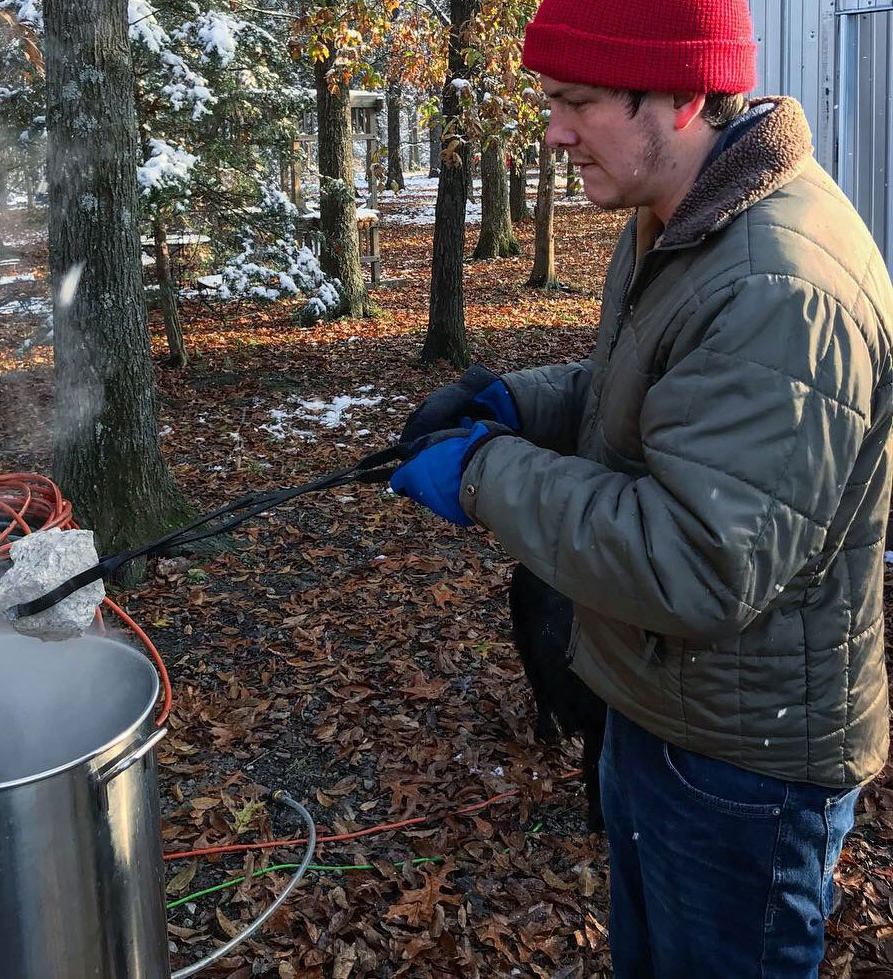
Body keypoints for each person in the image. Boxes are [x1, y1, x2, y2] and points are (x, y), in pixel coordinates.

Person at [389, 1, 893, 976]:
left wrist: (485, 473)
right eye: (551, 100)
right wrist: (516, 403)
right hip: (660, 711)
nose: (553, 129)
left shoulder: (776, 284)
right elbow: (657, 399)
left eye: (578, 101)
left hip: (740, 770)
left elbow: (693, 560)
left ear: (685, 94)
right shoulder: (683, 214)